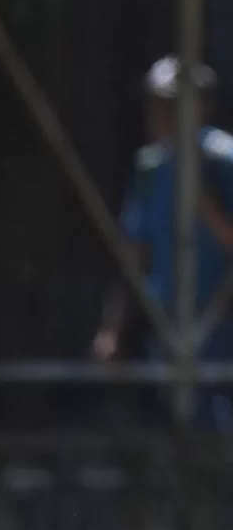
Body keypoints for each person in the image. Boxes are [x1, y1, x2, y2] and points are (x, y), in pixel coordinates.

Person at [92, 56, 233, 431]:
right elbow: (136, 253)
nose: (159, 114)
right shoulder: (150, 168)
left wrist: (204, 201)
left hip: (221, 325)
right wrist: (114, 328)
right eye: (155, 103)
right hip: (167, 324)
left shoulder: (224, 160)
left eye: (171, 105)